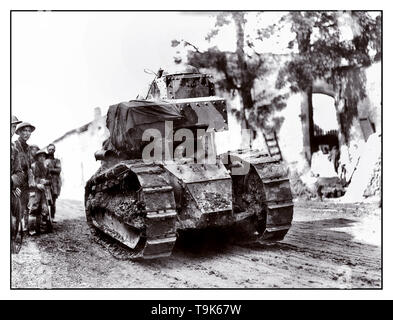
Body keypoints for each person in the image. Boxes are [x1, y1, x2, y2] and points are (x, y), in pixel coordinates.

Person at [14, 122, 35, 233]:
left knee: (25, 206)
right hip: (16, 181)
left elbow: (29, 166)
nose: (27, 133)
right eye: (24, 131)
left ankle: (21, 229)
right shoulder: (15, 145)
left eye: (29, 131)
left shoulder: (28, 148)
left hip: (25, 182)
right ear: (19, 132)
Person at [28, 149, 52, 235]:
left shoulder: (46, 168)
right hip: (34, 191)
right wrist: (36, 185)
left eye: (43, 156)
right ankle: (31, 230)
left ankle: (42, 229)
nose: (42, 158)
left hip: (44, 192)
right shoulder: (33, 167)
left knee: (45, 210)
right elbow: (30, 179)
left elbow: (50, 180)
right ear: (37, 157)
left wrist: (46, 182)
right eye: (40, 156)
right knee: (33, 209)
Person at [11, 116, 23, 252]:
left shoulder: (14, 150)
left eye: (13, 127)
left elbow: (19, 173)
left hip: (10, 189)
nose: (11, 130)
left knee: (15, 220)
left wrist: (13, 184)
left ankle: (11, 242)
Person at [45, 143, 61, 220]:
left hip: (54, 183)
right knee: (45, 200)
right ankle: (46, 218)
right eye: (49, 149)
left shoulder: (57, 160)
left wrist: (49, 169)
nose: (51, 151)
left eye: (52, 149)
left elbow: (58, 170)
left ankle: (52, 217)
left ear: (54, 150)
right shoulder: (44, 160)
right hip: (46, 182)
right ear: (47, 150)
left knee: (53, 201)